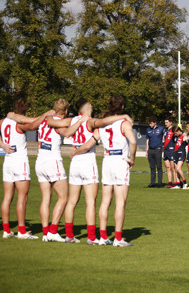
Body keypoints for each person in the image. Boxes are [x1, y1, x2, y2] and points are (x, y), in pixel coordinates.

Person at [61, 98, 132, 244]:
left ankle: (69, 235)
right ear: (86, 107)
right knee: (91, 202)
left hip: (75, 163)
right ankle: (92, 237)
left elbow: (65, 131)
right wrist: (123, 116)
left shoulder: (71, 120)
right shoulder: (91, 121)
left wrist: (74, 152)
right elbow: (105, 122)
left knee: (71, 201)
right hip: (87, 161)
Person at [1, 99, 54, 239]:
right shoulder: (19, 124)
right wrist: (45, 115)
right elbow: (32, 126)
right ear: (25, 110)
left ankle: (7, 230)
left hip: (8, 161)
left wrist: (2, 144)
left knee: (7, 197)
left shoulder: (4, 121)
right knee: (22, 198)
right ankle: (22, 231)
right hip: (19, 161)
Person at [35, 99, 86, 242]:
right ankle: (53, 230)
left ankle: (46, 233)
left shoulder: (45, 120)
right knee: (63, 198)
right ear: (65, 111)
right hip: (53, 162)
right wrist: (80, 122)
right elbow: (67, 133)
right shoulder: (58, 122)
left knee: (46, 198)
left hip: (40, 161)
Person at [97, 95, 137, 246]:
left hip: (107, 160)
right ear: (122, 107)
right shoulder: (123, 123)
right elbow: (132, 141)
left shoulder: (102, 123)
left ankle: (102, 237)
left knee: (105, 201)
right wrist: (131, 158)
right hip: (120, 160)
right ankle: (118, 239)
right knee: (120, 202)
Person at [145, 116, 164, 188]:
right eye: (149, 123)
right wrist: (147, 151)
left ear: (155, 123)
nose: (150, 124)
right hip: (150, 150)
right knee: (152, 167)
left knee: (159, 167)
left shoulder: (161, 128)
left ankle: (159, 183)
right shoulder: (148, 130)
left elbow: (164, 138)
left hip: (158, 149)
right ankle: (152, 183)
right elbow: (147, 140)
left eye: (151, 123)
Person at [163, 118, 176, 188]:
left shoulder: (174, 129)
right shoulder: (165, 130)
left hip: (172, 150)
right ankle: (170, 183)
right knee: (167, 167)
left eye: (167, 122)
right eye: (165, 122)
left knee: (173, 167)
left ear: (171, 122)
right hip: (165, 150)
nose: (165, 124)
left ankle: (176, 182)